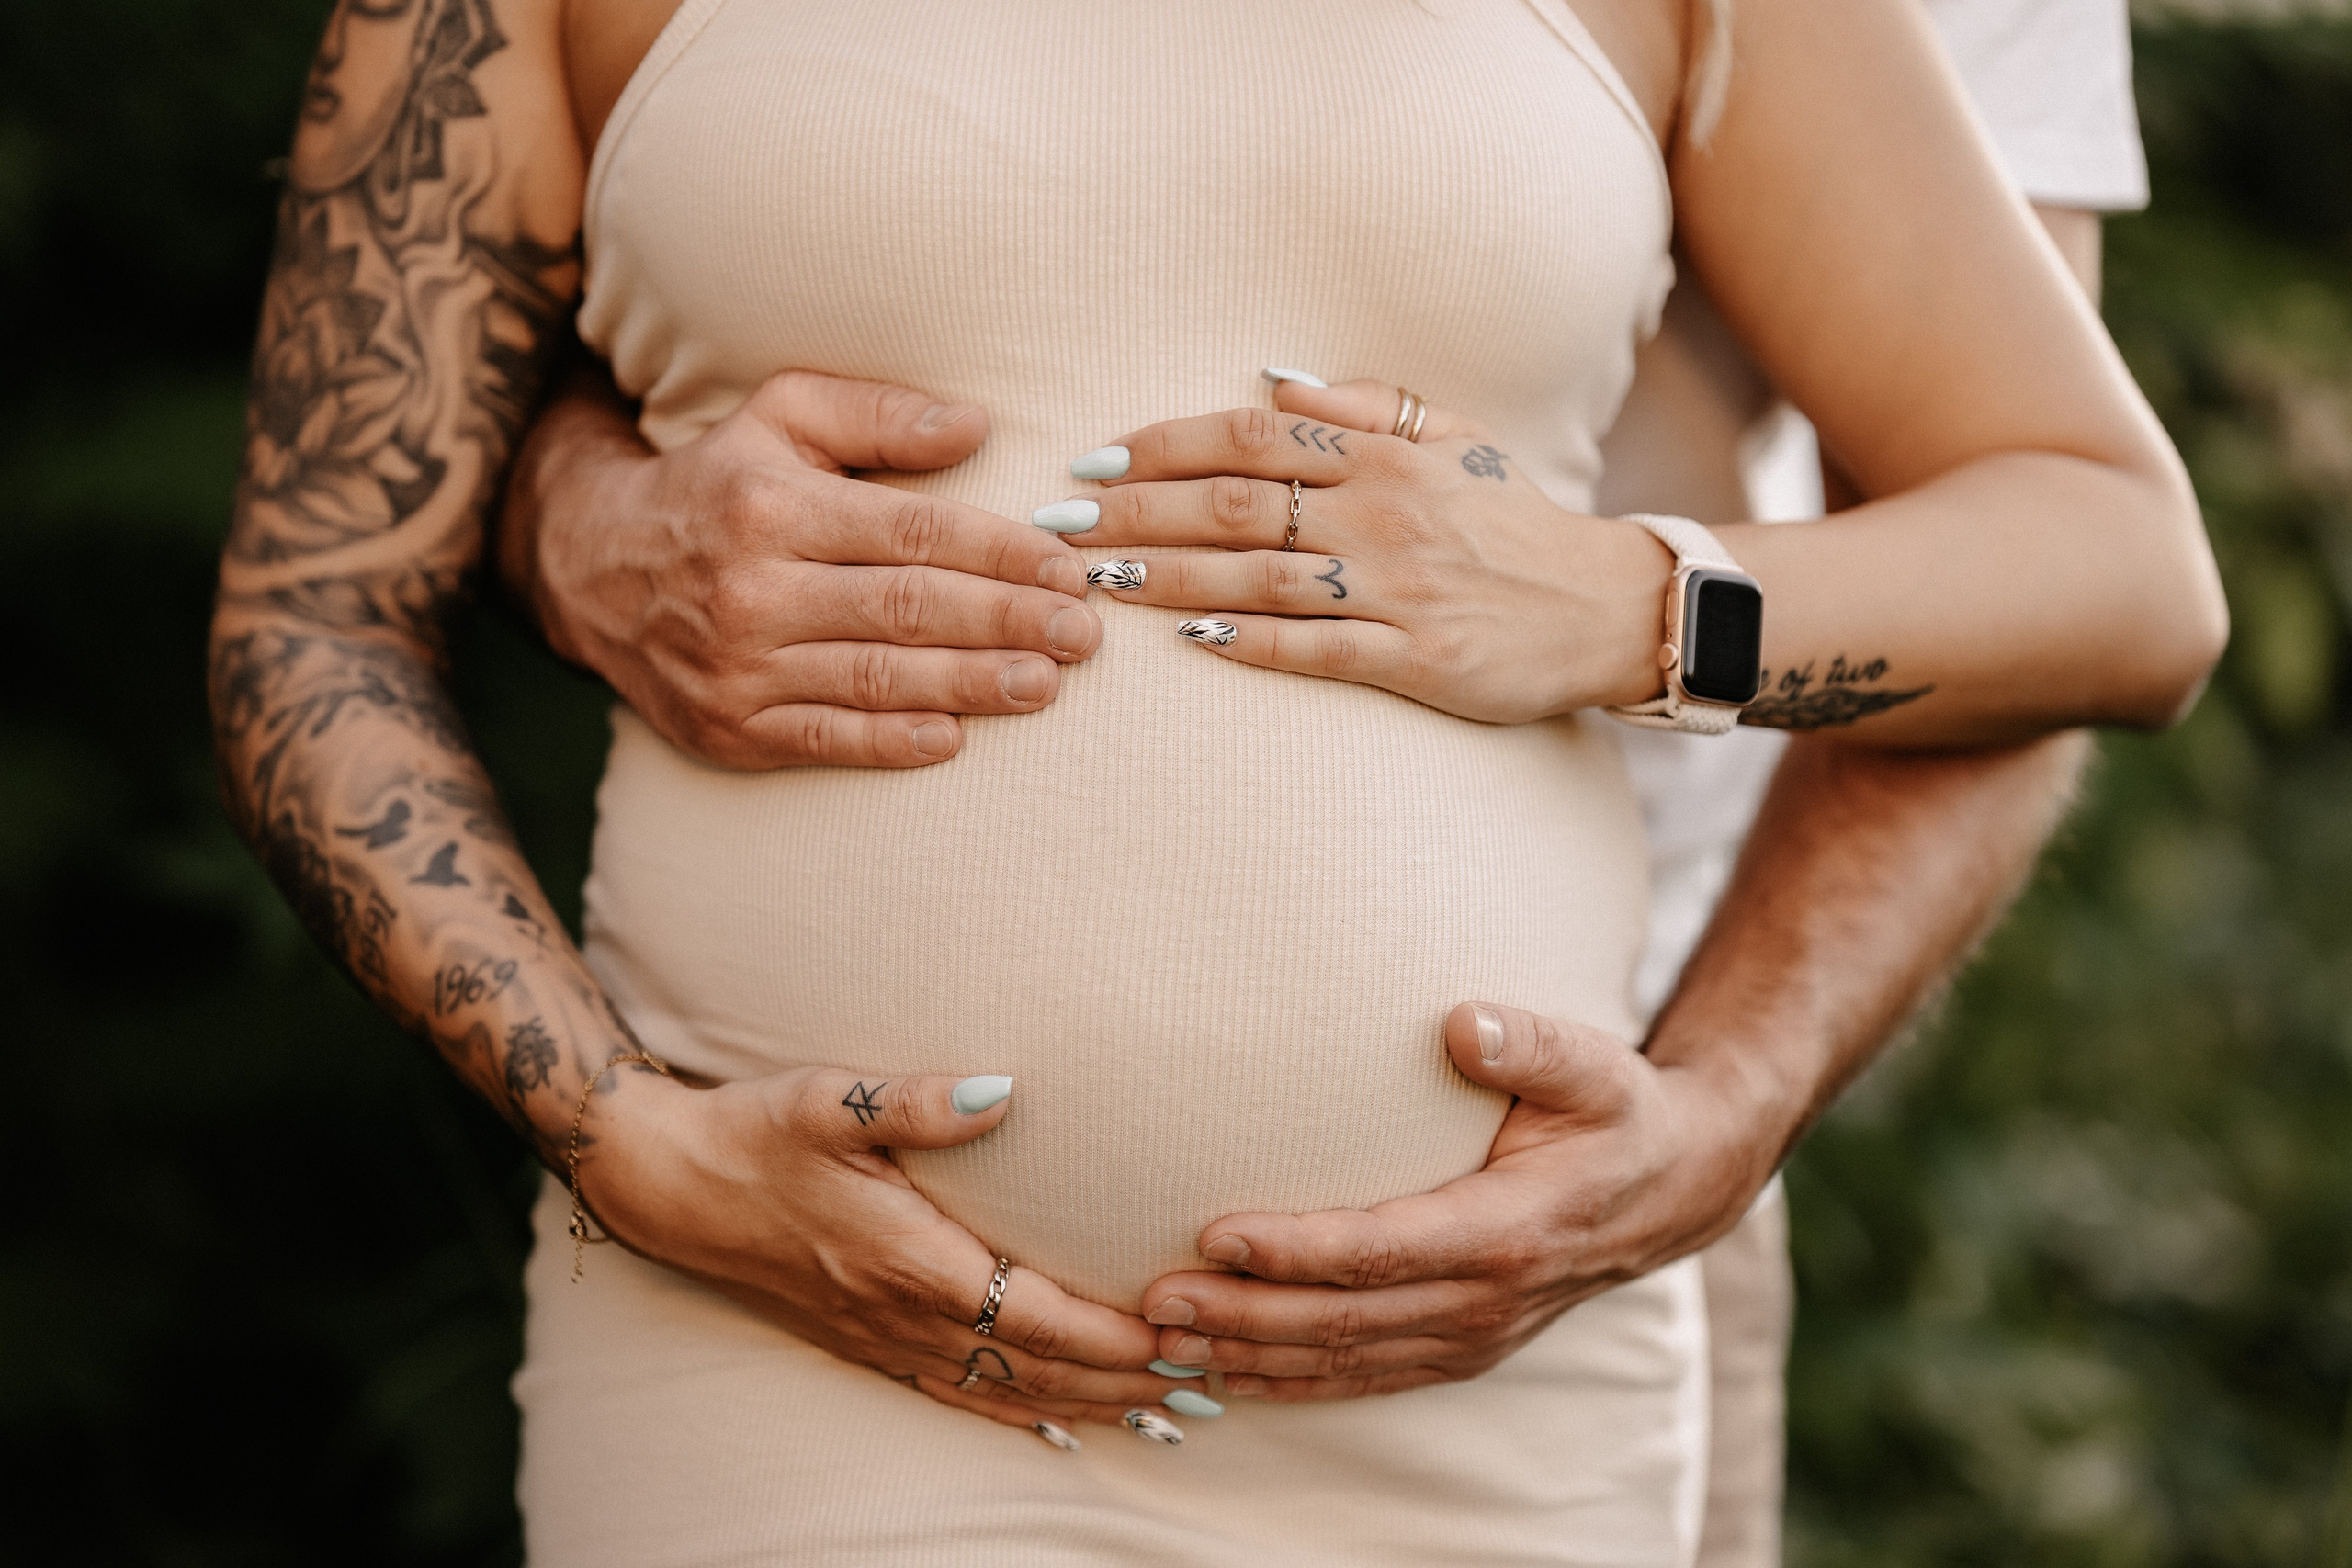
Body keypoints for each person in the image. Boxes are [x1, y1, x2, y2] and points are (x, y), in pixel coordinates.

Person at [208, 1, 2223, 1564]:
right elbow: (311, 618)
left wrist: (1630, 606)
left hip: (1487, 1386)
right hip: (773, 1343)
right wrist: (620, 1134)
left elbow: (2117, 569)